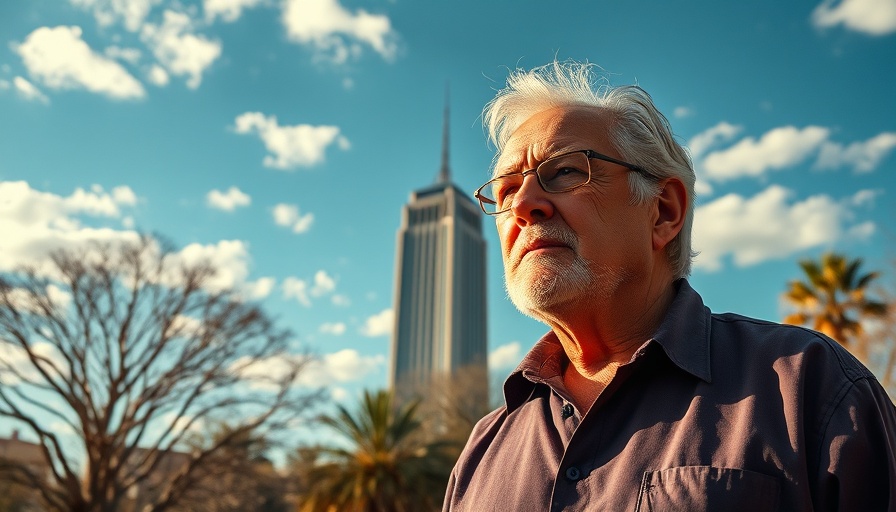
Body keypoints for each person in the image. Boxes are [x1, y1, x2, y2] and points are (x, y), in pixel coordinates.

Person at [443, 59, 896, 512]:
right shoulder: (483, 451)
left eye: (564, 171)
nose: (523, 205)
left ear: (664, 212)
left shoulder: (812, 389)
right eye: (504, 192)